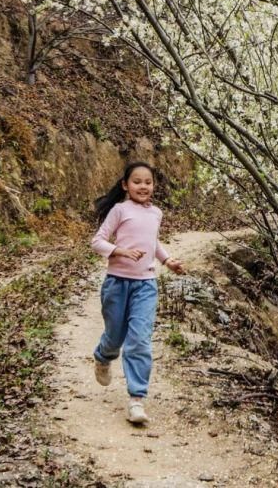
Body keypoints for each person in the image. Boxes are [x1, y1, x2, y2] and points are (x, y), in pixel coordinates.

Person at [91, 160, 186, 425]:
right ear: (125, 185)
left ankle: (136, 399)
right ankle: (103, 356)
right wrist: (120, 251)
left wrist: (168, 261)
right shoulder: (120, 210)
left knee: (139, 340)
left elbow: (152, 241)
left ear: (154, 186)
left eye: (148, 182)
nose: (143, 186)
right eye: (137, 181)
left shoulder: (156, 213)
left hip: (146, 285)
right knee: (114, 337)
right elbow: (97, 241)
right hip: (117, 284)